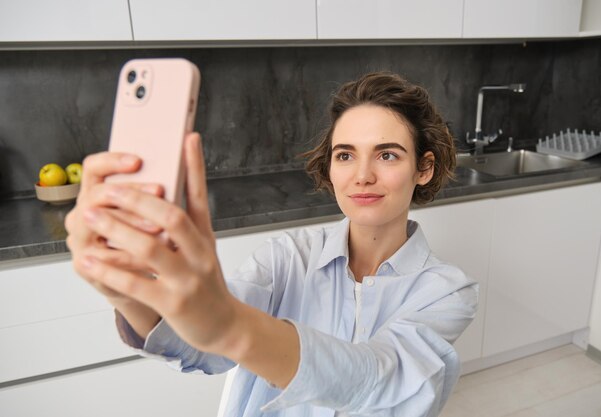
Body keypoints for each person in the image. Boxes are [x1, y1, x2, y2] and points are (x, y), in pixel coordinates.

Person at [65, 71, 478, 416]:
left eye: (387, 155)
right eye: (345, 155)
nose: (362, 176)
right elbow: (202, 346)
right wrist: (126, 291)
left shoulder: (445, 292)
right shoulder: (286, 258)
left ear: (424, 168)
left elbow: (376, 381)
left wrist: (232, 327)